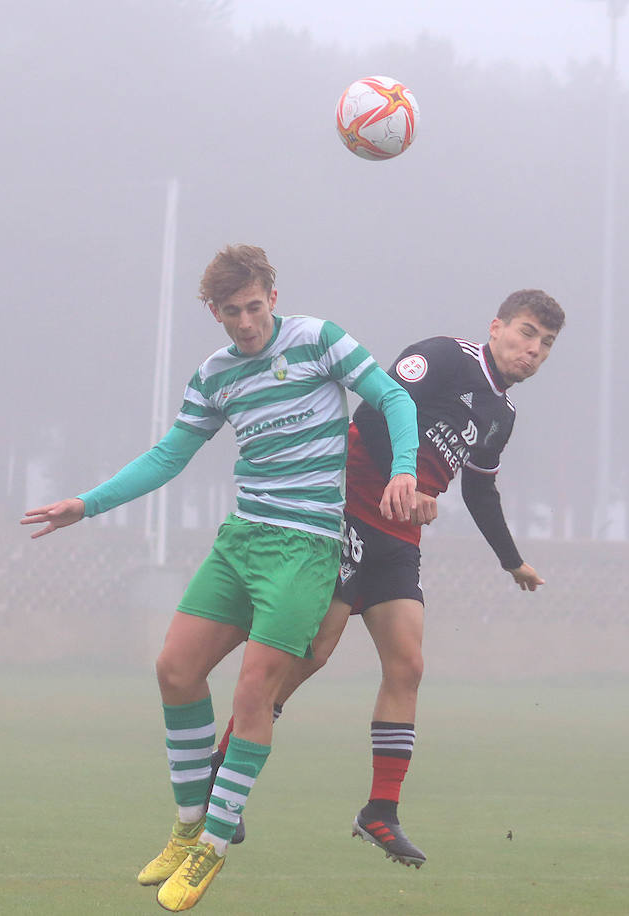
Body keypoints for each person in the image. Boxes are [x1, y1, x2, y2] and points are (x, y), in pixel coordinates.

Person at [22, 244, 419, 912]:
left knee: (254, 691)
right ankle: (184, 830)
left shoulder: (319, 339)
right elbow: (169, 455)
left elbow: (391, 396)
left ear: (272, 292)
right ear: (213, 311)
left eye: (253, 306)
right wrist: (85, 504)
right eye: (230, 312)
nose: (244, 322)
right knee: (174, 669)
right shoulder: (215, 375)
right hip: (242, 542)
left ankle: (214, 845)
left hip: (303, 550)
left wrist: (404, 468)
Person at [211, 289, 565, 868]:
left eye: (546, 344)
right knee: (314, 650)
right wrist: (407, 483)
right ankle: (223, 771)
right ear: (496, 326)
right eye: (526, 333)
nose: (533, 350)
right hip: (346, 509)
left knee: (408, 665)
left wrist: (511, 559)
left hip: (399, 538)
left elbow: (479, 487)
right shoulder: (444, 358)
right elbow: (373, 413)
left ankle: (380, 811)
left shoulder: (503, 415)